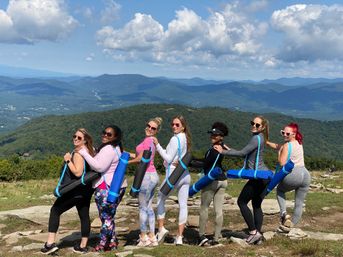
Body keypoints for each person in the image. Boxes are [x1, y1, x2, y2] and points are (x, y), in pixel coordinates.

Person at [214, 116, 270, 245]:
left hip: (257, 177)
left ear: (262, 127)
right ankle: (258, 234)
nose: (254, 126)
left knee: (242, 202)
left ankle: (253, 232)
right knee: (256, 205)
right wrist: (228, 150)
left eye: (257, 125)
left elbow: (242, 153)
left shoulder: (256, 138)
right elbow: (246, 153)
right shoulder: (262, 138)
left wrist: (223, 152)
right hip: (264, 176)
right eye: (252, 123)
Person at [41, 128, 95, 255]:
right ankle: (82, 246)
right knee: (84, 216)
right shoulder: (90, 151)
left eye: (79, 138)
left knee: (55, 210)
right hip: (86, 190)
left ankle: (50, 244)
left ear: (85, 140)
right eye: (74, 136)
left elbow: (78, 172)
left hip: (75, 190)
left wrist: (68, 159)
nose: (75, 139)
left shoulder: (78, 153)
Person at [78, 125, 126, 252]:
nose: (105, 135)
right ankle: (112, 242)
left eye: (109, 134)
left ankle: (102, 243)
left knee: (106, 217)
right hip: (117, 186)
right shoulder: (116, 148)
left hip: (106, 187)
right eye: (104, 132)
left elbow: (99, 167)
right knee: (109, 216)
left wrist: (83, 153)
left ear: (115, 137)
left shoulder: (108, 149)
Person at [152, 115, 192, 245]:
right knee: (183, 205)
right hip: (184, 174)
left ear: (183, 126)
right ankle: (179, 237)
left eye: (177, 125)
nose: (174, 126)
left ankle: (161, 228)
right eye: (173, 124)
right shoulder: (185, 138)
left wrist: (157, 145)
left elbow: (168, 159)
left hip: (173, 175)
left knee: (160, 198)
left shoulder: (175, 139)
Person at [266, 123, 311, 231]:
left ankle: (284, 214)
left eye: (287, 133)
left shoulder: (286, 146)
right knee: (299, 203)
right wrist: (267, 143)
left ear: (294, 134)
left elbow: (282, 162)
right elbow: (278, 146)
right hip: (305, 174)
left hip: (293, 174)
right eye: (283, 132)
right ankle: (292, 225)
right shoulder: (299, 142)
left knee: (280, 190)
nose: (284, 135)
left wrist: (280, 153)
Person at [191, 122, 229, 246]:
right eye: (212, 134)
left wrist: (188, 162)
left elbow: (205, 164)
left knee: (204, 207)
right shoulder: (223, 148)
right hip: (223, 180)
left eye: (215, 134)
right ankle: (216, 237)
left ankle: (201, 236)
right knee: (219, 210)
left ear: (221, 136)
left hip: (211, 180)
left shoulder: (213, 150)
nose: (212, 136)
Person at [128, 117, 163, 247]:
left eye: (153, 128)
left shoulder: (148, 140)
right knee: (148, 207)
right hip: (153, 176)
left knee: (142, 207)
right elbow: (140, 155)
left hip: (146, 176)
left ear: (156, 131)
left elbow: (142, 158)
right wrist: (127, 154)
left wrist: (126, 162)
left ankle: (143, 237)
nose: (149, 129)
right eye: (148, 126)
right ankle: (152, 237)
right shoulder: (151, 141)